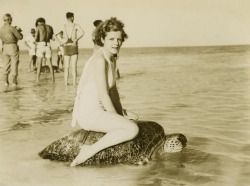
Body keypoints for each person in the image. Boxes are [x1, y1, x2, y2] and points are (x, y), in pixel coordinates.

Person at [70, 17, 139, 167]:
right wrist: (118, 120)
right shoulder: (99, 60)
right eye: (111, 39)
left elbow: (113, 91)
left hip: (100, 108)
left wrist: (121, 114)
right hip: (90, 113)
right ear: (102, 39)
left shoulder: (112, 58)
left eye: (119, 39)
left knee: (135, 117)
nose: (116, 43)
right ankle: (89, 150)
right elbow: (103, 94)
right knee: (132, 129)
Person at [55, 12, 84, 86]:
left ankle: (65, 83)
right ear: (72, 17)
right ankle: (74, 83)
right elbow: (82, 32)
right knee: (74, 67)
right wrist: (76, 39)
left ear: (66, 17)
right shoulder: (75, 25)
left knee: (66, 67)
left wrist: (61, 42)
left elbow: (55, 35)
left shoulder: (63, 26)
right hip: (74, 46)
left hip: (66, 46)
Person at [0, 13, 23, 86]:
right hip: (12, 46)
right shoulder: (12, 28)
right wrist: (19, 30)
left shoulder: (1, 29)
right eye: (11, 19)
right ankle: (14, 82)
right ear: (9, 19)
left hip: (4, 47)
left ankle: (6, 82)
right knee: (14, 64)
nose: (12, 21)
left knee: (5, 65)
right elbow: (20, 37)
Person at [34, 17, 54, 83]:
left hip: (40, 45)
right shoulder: (50, 27)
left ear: (39, 22)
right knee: (50, 64)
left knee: (39, 64)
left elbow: (36, 38)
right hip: (48, 45)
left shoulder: (38, 27)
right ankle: (53, 80)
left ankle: (37, 80)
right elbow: (51, 37)